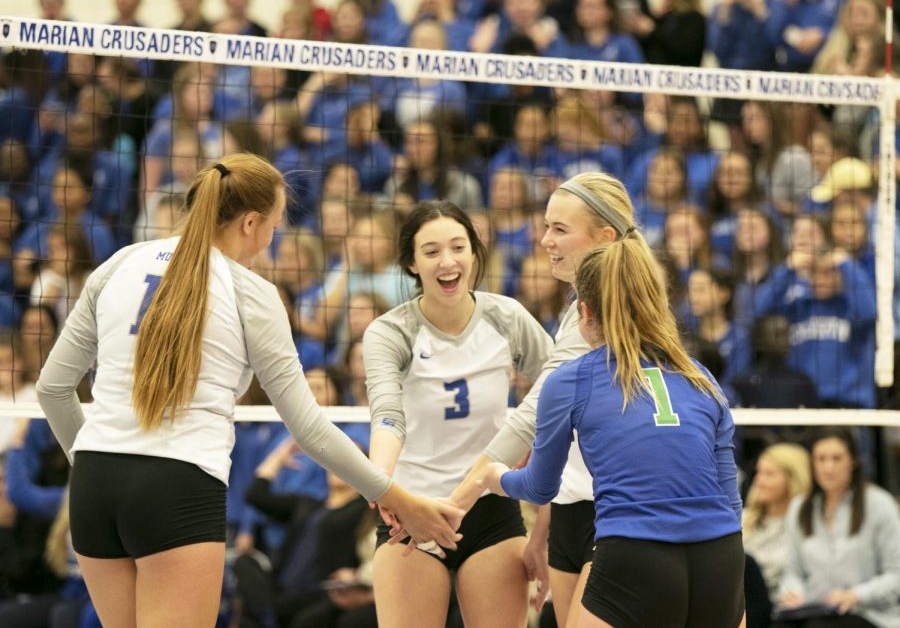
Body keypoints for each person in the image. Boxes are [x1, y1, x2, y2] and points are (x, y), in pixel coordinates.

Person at [34, 153, 464, 627]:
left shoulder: (118, 264)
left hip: (96, 483)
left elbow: (53, 389)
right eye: (274, 226)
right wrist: (396, 498)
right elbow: (309, 429)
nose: (270, 239)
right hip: (176, 486)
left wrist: (97, 460)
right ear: (250, 222)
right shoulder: (251, 293)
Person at [482, 237, 746, 628]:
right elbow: (730, 498)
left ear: (583, 313)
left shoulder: (571, 379)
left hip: (636, 552)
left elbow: (540, 488)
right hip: (720, 555)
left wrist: (495, 477)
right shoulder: (700, 376)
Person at [448, 172, 643, 628]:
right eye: (545, 226)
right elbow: (568, 437)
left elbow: (531, 420)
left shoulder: (611, 316)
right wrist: (544, 527)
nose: (544, 240)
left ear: (605, 237)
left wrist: (453, 505)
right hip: (573, 510)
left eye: (560, 229)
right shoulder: (580, 308)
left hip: (614, 512)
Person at [364, 200, 553, 628]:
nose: (447, 262)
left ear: (473, 253)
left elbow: (561, 385)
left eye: (457, 247)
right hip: (413, 509)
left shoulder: (506, 317)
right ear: (411, 263)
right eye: (431, 252)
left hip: (489, 511)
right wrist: (381, 482)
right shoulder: (389, 332)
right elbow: (387, 414)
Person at [777, 427, 900, 627]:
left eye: (837, 458)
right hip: (813, 609)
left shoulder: (879, 504)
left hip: (869, 614)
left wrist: (855, 595)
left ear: (853, 461)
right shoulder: (799, 508)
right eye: (821, 459)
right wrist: (793, 593)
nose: (828, 467)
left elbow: (896, 576)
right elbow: (793, 571)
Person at [743, 443, 812, 598]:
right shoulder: (741, 520)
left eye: (769, 474)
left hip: (782, 611)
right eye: (758, 472)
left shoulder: (807, 527)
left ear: (793, 479)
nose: (758, 481)